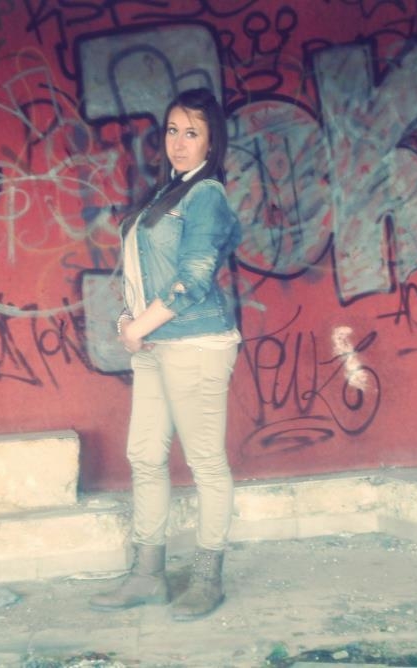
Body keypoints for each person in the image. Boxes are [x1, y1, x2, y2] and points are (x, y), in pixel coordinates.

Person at [89, 87, 242, 621]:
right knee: (145, 455)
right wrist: (128, 321)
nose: (179, 142)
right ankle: (147, 575)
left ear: (211, 142)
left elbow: (194, 278)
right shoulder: (166, 193)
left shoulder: (206, 195)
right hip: (155, 341)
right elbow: (143, 272)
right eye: (173, 130)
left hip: (195, 343)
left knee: (205, 462)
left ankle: (207, 578)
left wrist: (139, 326)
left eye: (192, 132)